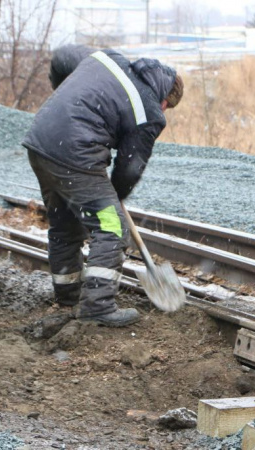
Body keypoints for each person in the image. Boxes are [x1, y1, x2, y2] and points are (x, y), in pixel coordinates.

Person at [22, 45, 184, 327]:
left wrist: (65, 95)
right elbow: (130, 168)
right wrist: (113, 196)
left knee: (65, 225)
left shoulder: (108, 59)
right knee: (112, 226)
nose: (164, 110)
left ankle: (68, 295)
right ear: (164, 99)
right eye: (167, 106)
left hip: (40, 144)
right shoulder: (149, 111)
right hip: (74, 156)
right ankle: (97, 307)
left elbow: (62, 56)